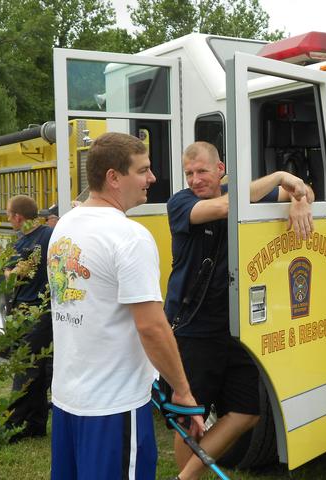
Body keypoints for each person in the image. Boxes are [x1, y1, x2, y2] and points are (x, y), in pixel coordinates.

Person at [47, 132, 204, 480]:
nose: (152, 178)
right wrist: (183, 391)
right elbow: (151, 327)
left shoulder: (64, 227)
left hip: (67, 401)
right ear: (113, 178)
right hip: (113, 409)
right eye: (143, 170)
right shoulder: (129, 236)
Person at [164, 141, 314, 480]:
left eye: (201, 171)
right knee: (190, 416)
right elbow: (226, 206)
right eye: (189, 173)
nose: (194, 179)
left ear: (220, 170)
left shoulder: (239, 191)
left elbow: (310, 191)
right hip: (193, 327)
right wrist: (278, 177)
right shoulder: (180, 203)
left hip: (236, 326)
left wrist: (300, 201)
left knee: (247, 411)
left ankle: (183, 478)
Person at [4, 194, 53, 442]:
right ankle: (35, 424)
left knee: (25, 368)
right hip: (21, 310)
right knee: (36, 370)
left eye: (8, 215)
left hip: (39, 311)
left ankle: (12, 427)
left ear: (18, 216)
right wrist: (13, 272)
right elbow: (8, 272)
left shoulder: (47, 236)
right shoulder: (19, 240)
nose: (8, 219)